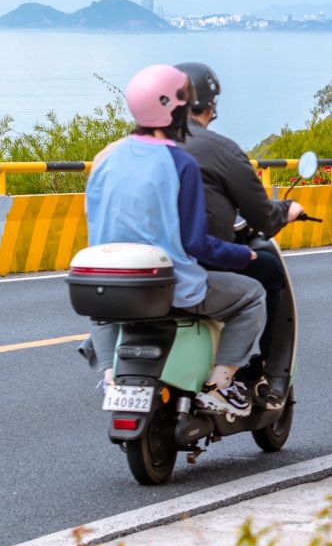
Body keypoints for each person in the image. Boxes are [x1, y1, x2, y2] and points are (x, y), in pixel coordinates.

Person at [86, 63, 266, 418]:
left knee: (105, 313)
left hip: (107, 281)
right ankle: (221, 384)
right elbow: (195, 243)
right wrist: (242, 256)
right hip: (166, 286)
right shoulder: (178, 163)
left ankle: (110, 377)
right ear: (177, 109)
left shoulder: (106, 159)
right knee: (252, 296)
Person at [178, 60, 302, 406]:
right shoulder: (219, 148)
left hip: (135, 266)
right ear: (210, 104)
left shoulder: (136, 148)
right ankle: (263, 372)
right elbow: (262, 215)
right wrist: (286, 210)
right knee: (267, 272)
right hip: (193, 264)